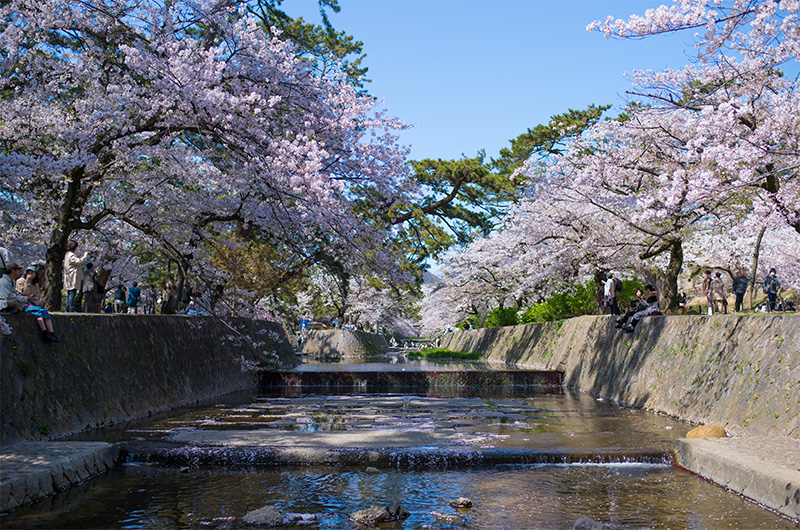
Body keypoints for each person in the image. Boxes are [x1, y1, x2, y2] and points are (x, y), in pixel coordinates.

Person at [15, 265, 60, 342]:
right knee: (40, 312)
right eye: (28, 272)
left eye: (32, 273)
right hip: (23, 302)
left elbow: (36, 296)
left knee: (43, 313)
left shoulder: (35, 284)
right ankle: (44, 332)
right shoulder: (20, 281)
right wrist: (28, 281)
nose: (30, 274)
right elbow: (25, 294)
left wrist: (39, 302)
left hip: (33, 304)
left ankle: (51, 333)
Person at [63, 240, 89, 312]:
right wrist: (85, 256)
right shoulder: (71, 255)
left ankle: (68, 308)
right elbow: (79, 261)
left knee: (70, 292)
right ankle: (71, 309)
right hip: (72, 276)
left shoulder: (67, 254)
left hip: (69, 276)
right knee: (72, 292)